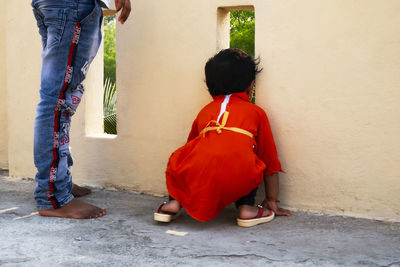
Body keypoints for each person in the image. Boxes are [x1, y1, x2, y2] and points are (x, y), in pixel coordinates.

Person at [154, 48, 291, 227]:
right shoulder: (256, 113)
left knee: (183, 162)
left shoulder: (205, 111)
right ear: (251, 85)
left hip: (199, 172)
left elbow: (189, 149)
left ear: (210, 86)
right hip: (238, 174)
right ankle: (246, 209)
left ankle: (175, 202)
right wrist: (272, 199)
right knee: (249, 163)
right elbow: (270, 161)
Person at [31, 0, 131, 219]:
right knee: (57, 100)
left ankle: (60, 182)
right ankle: (54, 197)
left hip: (57, 5)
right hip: (70, 5)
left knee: (61, 96)